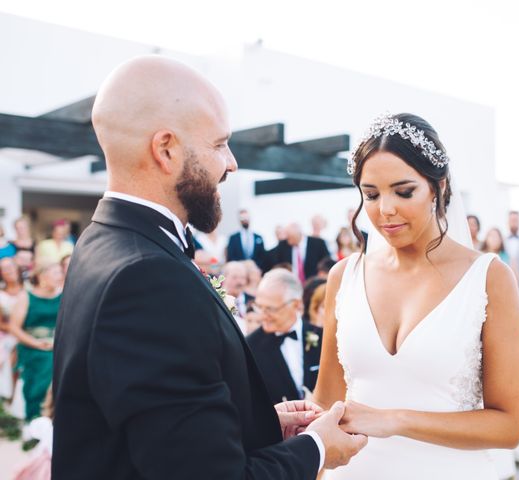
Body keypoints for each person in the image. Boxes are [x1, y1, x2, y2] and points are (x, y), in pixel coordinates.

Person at [51, 56, 365, 480]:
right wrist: (317, 448)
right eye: (219, 145)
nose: (231, 163)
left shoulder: (101, 239)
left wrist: (263, 423)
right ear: (166, 149)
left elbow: (156, 429)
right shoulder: (147, 278)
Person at [314, 113, 519, 479]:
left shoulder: (489, 278)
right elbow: (325, 402)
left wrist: (394, 420)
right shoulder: (344, 277)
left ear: (438, 187)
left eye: (404, 191)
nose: (386, 209)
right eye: (371, 194)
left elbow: (509, 426)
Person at [247, 269, 323, 405]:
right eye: (259, 307)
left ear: (296, 305)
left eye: (270, 309)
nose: (262, 315)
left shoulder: (322, 336)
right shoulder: (250, 347)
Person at [9, 261, 62, 422]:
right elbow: (14, 327)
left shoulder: (63, 294)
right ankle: (35, 418)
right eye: (56, 273)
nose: (60, 276)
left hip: (57, 344)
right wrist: (36, 343)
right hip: (32, 346)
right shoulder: (26, 296)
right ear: (42, 277)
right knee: (45, 364)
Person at [0, 257, 24, 401]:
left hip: (25, 334)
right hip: (6, 334)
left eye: (11, 267)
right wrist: (12, 329)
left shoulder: (28, 290)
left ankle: (14, 399)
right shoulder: (1, 295)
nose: (9, 271)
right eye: (4, 269)